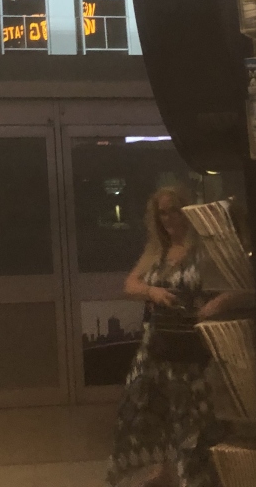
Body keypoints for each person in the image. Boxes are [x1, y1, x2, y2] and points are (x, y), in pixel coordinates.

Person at [108, 186, 229, 487]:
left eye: (175, 210)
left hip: (192, 344)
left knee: (191, 413)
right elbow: (130, 285)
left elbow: (240, 286)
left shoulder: (205, 250)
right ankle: (161, 471)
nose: (169, 218)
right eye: (163, 213)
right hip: (157, 342)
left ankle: (194, 477)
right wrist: (153, 292)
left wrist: (215, 304)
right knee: (147, 406)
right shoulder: (157, 251)